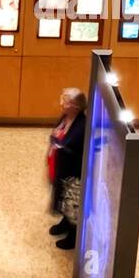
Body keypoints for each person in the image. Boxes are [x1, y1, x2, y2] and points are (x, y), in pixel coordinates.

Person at [48, 88, 87, 250]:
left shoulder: (81, 127)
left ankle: (73, 236)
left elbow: (76, 152)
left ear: (76, 107)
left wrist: (60, 146)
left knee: (72, 203)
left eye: (66, 101)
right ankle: (65, 222)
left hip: (72, 173)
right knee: (62, 199)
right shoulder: (66, 117)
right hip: (60, 167)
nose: (62, 104)